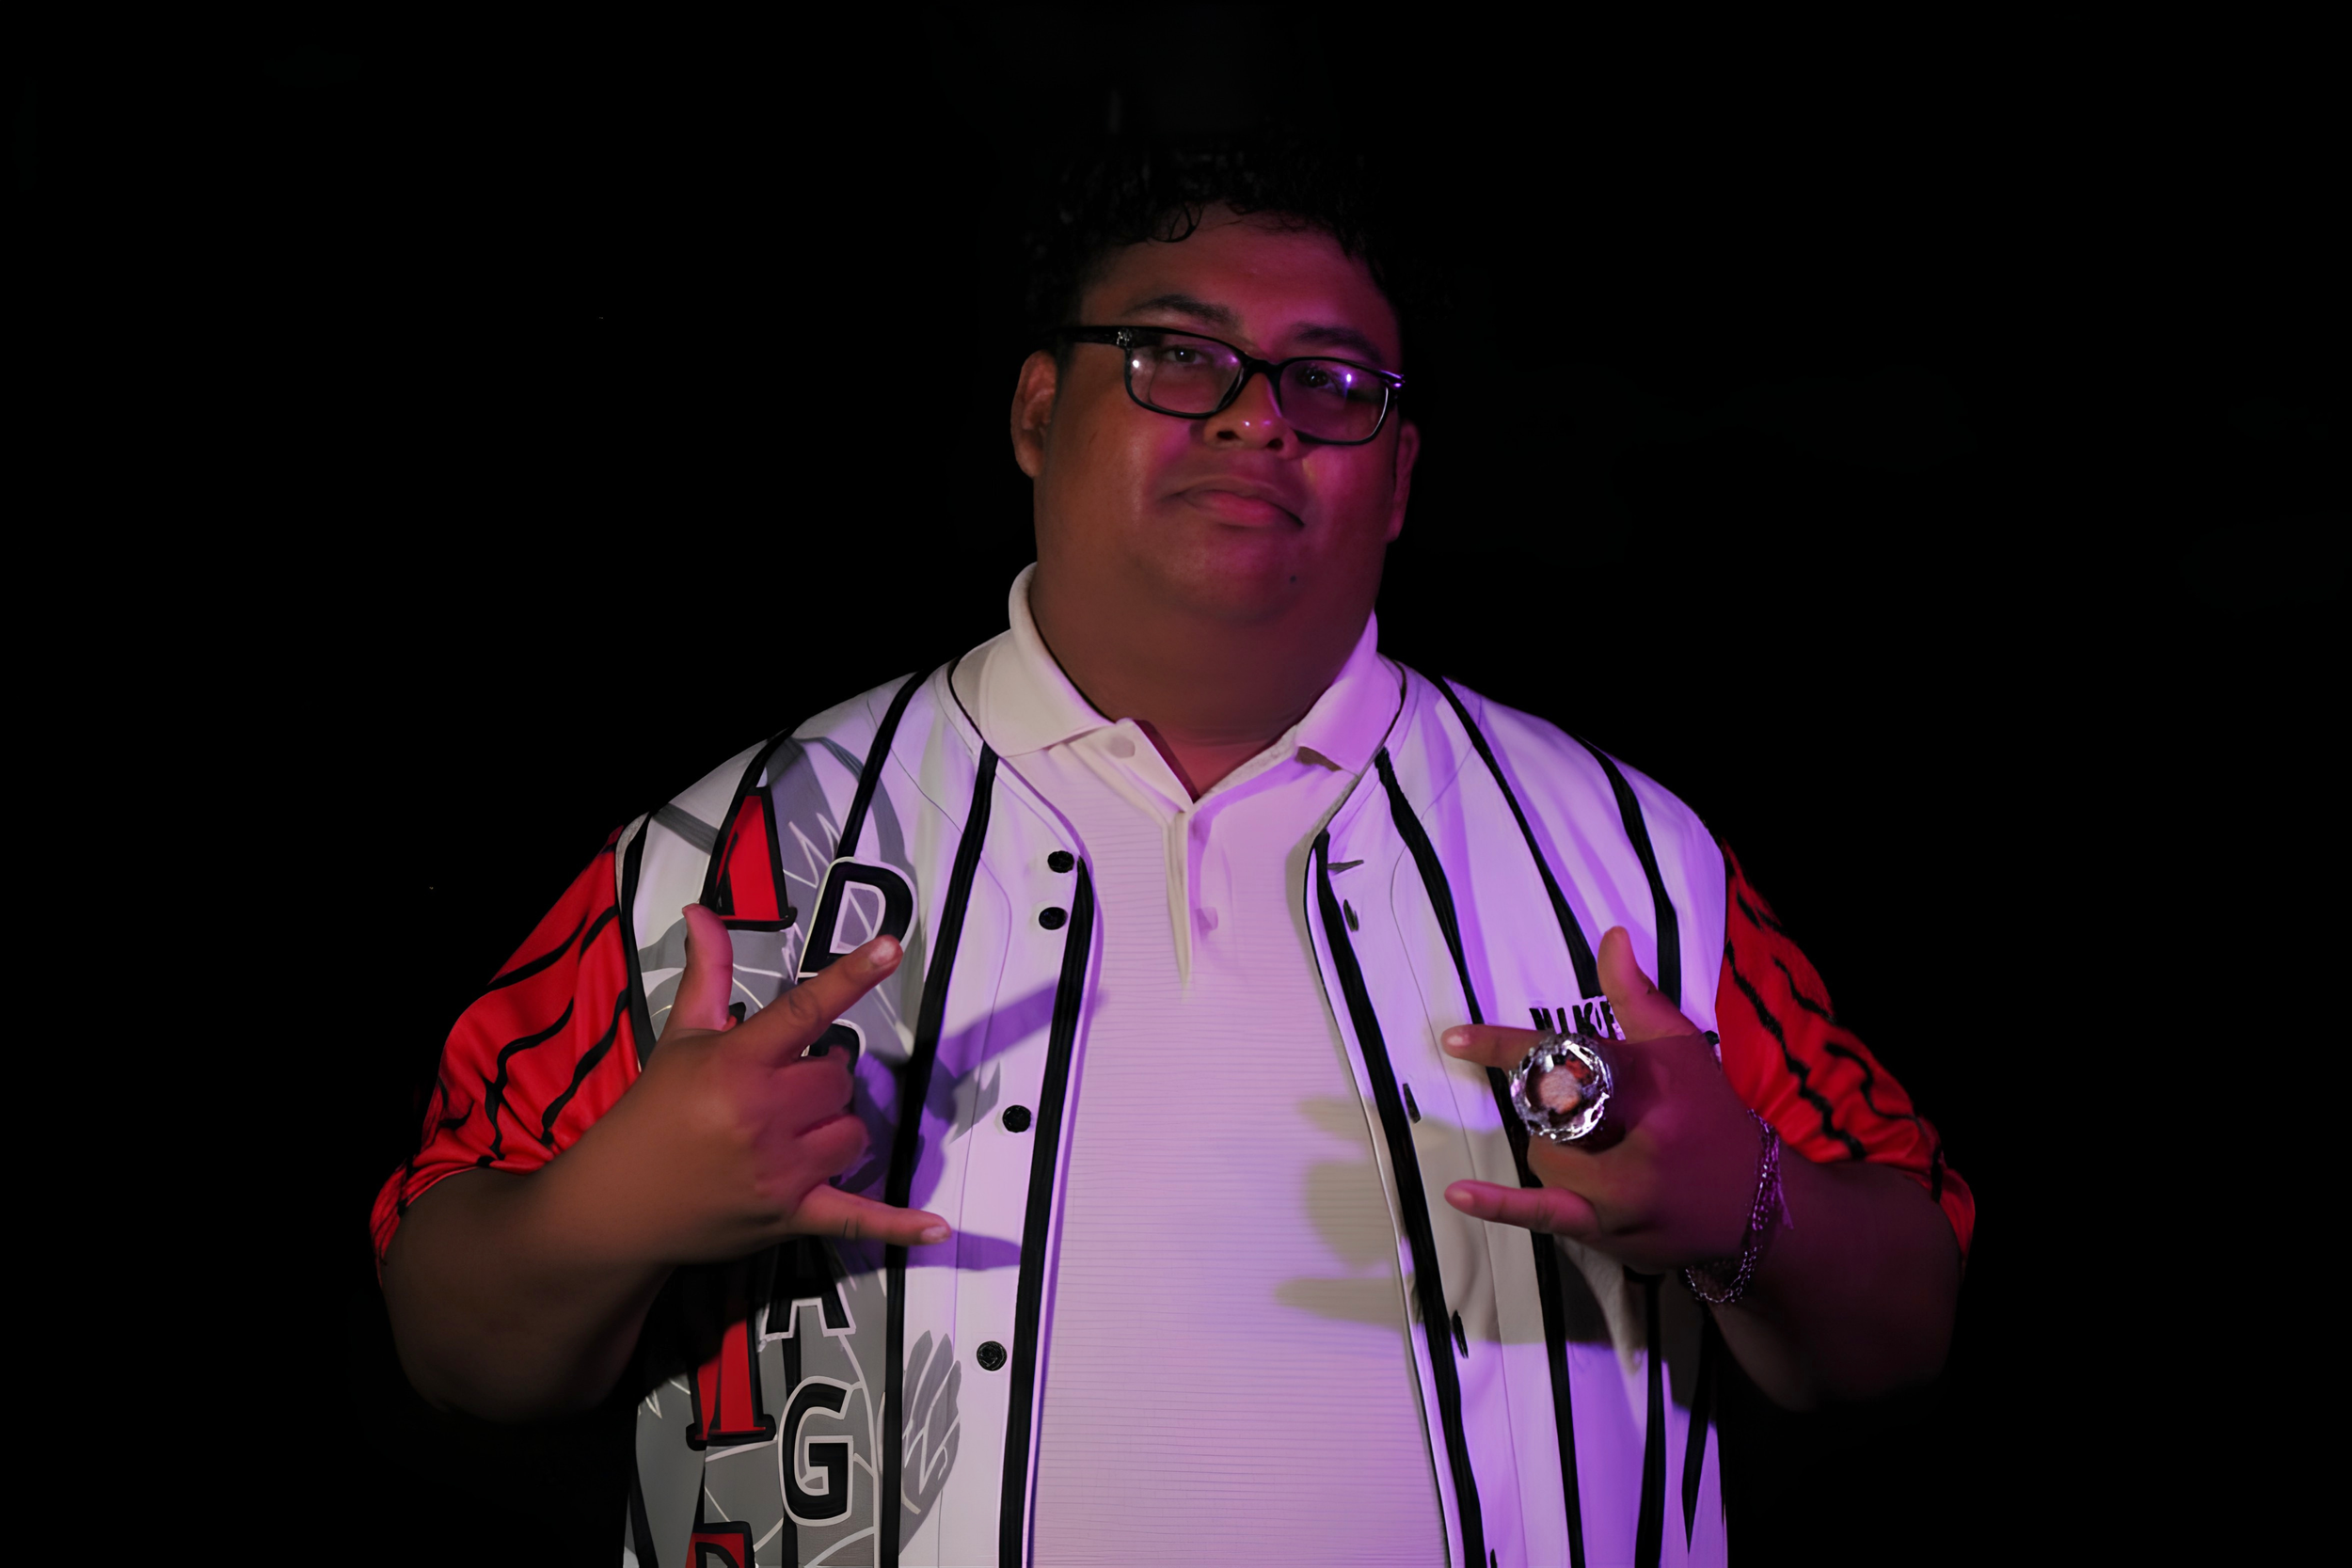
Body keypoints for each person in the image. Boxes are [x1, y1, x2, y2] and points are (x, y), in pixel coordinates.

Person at [375, 142, 1970, 1568]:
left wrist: (1745, 1202)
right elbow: (448, 1330)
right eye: (1174, 357)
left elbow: (1913, 1304)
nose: (1258, 420)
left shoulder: (1628, 854)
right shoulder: (721, 852)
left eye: (1331, 385)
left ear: (1400, 478)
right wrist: (610, 1210)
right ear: (1035, 411)